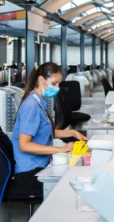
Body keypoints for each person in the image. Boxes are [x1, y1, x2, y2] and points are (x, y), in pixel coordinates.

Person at [10, 62, 88, 197]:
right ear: (41, 80)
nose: (57, 88)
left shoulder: (38, 102)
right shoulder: (31, 106)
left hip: (40, 168)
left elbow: (44, 131)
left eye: (58, 84)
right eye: (54, 83)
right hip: (29, 174)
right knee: (71, 187)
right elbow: (24, 144)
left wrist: (73, 133)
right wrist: (61, 149)